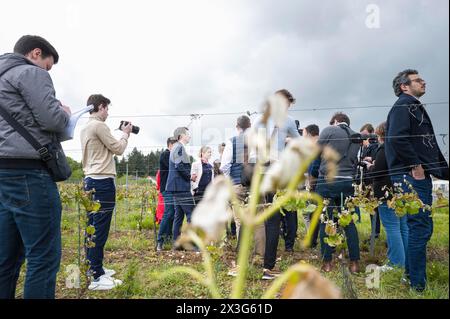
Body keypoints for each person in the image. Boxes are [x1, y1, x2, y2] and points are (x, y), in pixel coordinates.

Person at [0, 35, 71, 299]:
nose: (47, 72)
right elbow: (52, 119)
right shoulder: (30, 73)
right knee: (43, 257)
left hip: (2, 173)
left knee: (5, 259)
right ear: (35, 53)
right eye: (48, 66)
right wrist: (63, 111)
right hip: (28, 172)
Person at [386, 69, 449, 291]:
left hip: (413, 175)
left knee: (421, 227)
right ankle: (417, 285)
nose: (424, 81)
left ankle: (411, 277)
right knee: (419, 228)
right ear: (404, 86)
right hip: (410, 175)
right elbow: (396, 138)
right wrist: (415, 165)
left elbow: (426, 144)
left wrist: (443, 172)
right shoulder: (404, 105)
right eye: (417, 80)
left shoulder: (412, 106)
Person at [80, 94, 132, 290]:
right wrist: (126, 134)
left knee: (92, 226)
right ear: (100, 107)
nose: (108, 113)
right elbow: (118, 149)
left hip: (90, 179)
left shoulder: (85, 127)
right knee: (100, 228)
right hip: (102, 181)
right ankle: (96, 276)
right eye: (107, 109)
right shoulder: (99, 126)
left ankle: (93, 267)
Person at [256, 89, 301, 280]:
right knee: (274, 220)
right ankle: (269, 268)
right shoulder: (288, 120)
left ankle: (252, 259)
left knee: (262, 217)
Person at [317, 112, 360, 273]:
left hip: (328, 180)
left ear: (336, 121)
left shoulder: (329, 130)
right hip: (347, 181)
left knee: (326, 221)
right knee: (348, 222)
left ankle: (327, 262)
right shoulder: (356, 136)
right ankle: (354, 263)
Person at [367, 122, 408, 270]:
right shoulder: (401, 148)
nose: (377, 138)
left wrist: (370, 166)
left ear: (381, 135)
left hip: (386, 193)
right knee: (403, 227)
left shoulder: (384, 149)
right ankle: (405, 260)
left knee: (392, 228)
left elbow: (378, 172)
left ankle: (395, 262)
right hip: (401, 191)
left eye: (378, 135)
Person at [166, 127, 196, 243]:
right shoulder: (179, 147)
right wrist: (190, 177)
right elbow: (179, 166)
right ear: (181, 136)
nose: (189, 136)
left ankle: (176, 243)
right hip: (180, 186)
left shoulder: (176, 147)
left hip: (176, 186)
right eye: (187, 134)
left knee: (179, 216)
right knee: (191, 214)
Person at [358, 123, 381, 234]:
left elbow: (379, 160)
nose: (364, 138)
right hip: (366, 180)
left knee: (375, 208)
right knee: (371, 208)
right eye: (362, 135)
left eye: (365, 135)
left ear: (372, 133)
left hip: (374, 180)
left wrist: (370, 158)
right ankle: (374, 232)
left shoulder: (376, 144)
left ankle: (375, 233)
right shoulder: (364, 146)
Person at [156, 137, 177, 251]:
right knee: (168, 212)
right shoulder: (165, 155)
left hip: (173, 188)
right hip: (167, 189)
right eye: (175, 145)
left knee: (173, 213)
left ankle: (168, 237)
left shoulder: (172, 156)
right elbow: (173, 167)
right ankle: (160, 240)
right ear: (170, 145)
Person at [302, 124, 321, 248]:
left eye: (304, 136)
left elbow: (314, 167)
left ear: (309, 135)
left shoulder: (317, 146)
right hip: (316, 183)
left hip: (316, 183)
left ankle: (313, 241)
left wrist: (311, 181)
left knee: (314, 213)